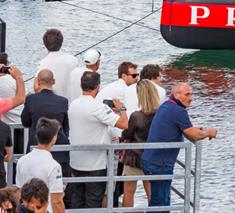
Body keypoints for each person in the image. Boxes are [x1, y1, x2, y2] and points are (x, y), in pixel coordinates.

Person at [142, 83, 218, 210]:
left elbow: (187, 129)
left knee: (160, 200)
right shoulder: (178, 111)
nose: (191, 97)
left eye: (191, 94)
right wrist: (209, 132)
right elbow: (193, 135)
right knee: (160, 203)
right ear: (176, 95)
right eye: (187, 94)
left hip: (150, 160)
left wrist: (200, 131)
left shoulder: (167, 105)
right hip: (160, 164)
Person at [67, 71, 128, 209]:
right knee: (93, 204)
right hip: (95, 165)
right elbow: (124, 124)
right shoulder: (98, 108)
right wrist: (122, 108)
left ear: (81, 86)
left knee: (78, 200)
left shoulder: (73, 105)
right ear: (98, 87)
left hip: (76, 162)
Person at [21, 69, 70, 176]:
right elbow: (66, 127)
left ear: (38, 82)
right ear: (54, 82)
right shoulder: (63, 101)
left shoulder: (31, 99)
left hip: (36, 145)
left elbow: (25, 122)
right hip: (58, 147)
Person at [121, 79, 161, 208]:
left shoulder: (136, 116)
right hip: (152, 158)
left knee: (128, 192)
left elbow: (127, 135)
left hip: (134, 158)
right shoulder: (160, 115)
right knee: (151, 193)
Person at [16, 118, 64, 213]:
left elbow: (19, 191)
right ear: (54, 138)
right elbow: (56, 201)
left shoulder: (22, 160)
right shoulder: (54, 166)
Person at [37, 29, 78, 99]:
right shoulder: (73, 60)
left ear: (44, 44)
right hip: (70, 104)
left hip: (51, 104)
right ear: (61, 42)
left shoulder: (42, 64)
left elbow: (37, 88)